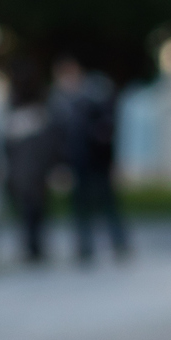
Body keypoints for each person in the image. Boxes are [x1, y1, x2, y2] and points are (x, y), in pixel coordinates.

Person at [52, 57, 127, 264]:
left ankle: (119, 243)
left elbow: (106, 131)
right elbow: (59, 137)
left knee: (108, 203)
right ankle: (85, 247)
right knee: (80, 206)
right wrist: (61, 164)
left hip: (98, 161)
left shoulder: (94, 96)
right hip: (77, 162)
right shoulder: (60, 103)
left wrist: (111, 160)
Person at [4, 59, 55, 265]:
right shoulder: (40, 113)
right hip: (33, 170)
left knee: (28, 211)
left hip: (24, 170)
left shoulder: (18, 113)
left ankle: (32, 247)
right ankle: (35, 246)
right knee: (36, 210)